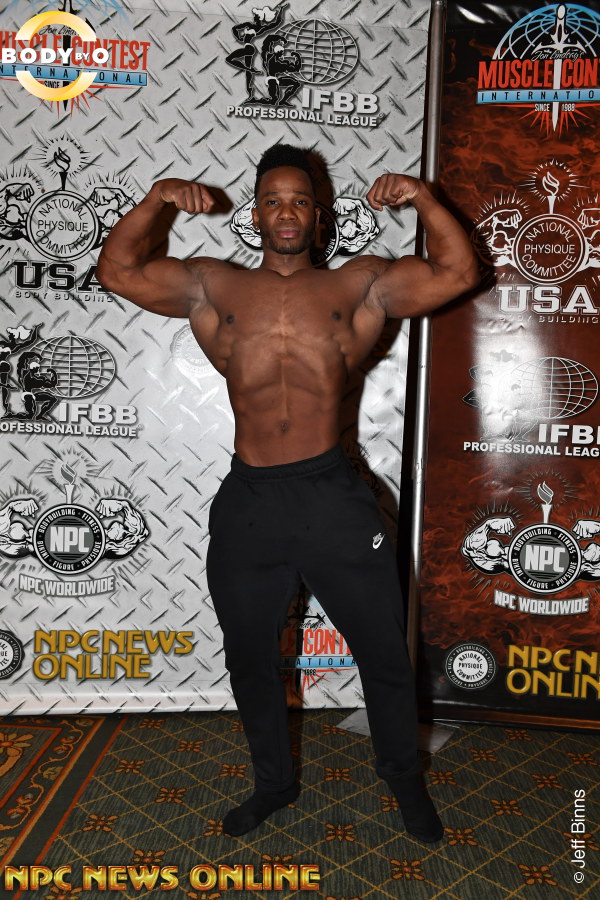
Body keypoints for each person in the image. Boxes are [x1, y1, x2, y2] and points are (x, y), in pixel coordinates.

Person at [96, 143, 479, 842]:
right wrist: (155, 199)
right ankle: (272, 785)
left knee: (383, 653)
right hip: (251, 502)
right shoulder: (213, 285)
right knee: (250, 658)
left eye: (300, 200)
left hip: (332, 495)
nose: (286, 212)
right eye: (273, 200)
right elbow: (117, 271)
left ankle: (404, 781)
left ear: (318, 215)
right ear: (255, 213)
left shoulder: (359, 284)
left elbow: (458, 271)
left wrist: (424, 197)